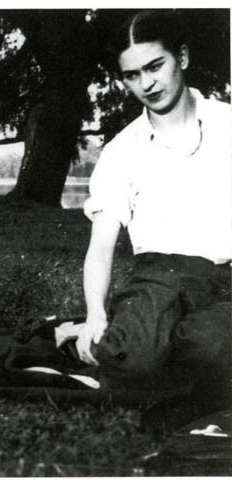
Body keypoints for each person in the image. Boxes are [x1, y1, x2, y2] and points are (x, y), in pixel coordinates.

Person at [75, 11, 231, 396]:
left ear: (183, 58)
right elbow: (101, 246)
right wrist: (95, 314)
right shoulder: (121, 151)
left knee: (209, 350)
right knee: (134, 362)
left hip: (226, 281)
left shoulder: (227, 125)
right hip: (158, 280)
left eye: (155, 66)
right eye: (132, 75)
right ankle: (128, 338)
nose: (147, 83)